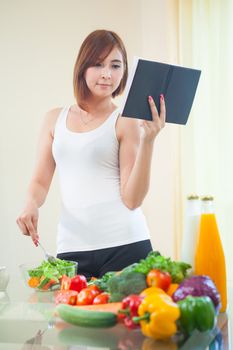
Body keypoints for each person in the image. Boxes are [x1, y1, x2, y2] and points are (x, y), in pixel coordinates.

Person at [16, 29, 166, 279]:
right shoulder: (54, 119)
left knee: (123, 319)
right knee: (70, 318)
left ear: (124, 72)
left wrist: (148, 141)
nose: (107, 74)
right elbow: (40, 182)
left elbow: (132, 199)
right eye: (98, 64)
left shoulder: (125, 121)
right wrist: (30, 204)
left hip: (126, 246)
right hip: (72, 250)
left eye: (115, 65)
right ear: (83, 67)